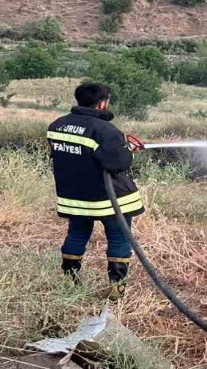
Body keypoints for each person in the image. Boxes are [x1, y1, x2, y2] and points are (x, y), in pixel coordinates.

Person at [47, 81, 145, 298]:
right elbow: (116, 164)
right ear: (102, 104)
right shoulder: (105, 130)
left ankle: (70, 282)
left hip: (73, 196)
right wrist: (128, 151)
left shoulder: (57, 125)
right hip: (107, 199)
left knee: (76, 234)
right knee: (119, 239)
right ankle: (116, 290)